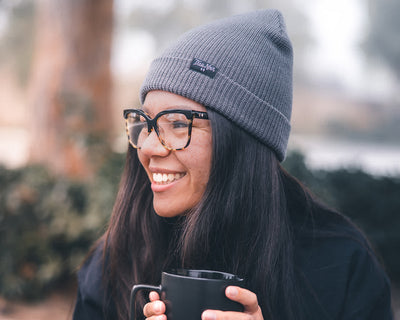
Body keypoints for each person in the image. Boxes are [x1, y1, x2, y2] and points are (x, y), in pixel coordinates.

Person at [72, 9, 393, 320]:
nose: (149, 146)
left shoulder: (338, 265)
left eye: (178, 124)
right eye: (146, 121)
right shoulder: (118, 258)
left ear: (242, 139)